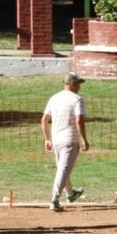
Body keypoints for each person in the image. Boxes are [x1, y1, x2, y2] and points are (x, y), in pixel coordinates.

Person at [42, 71, 89, 212]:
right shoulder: (77, 99)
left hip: (56, 140)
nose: (80, 87)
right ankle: (54, 199)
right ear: (73, 84)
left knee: (63, 168)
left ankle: (70, 193)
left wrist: (47, 139)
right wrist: (84, 139)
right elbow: (79, 120)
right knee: (63, 169)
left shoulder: (54, 98)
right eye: (78, 84)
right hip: (70, 140)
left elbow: (44, 119)